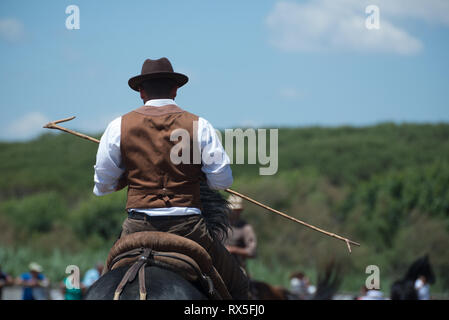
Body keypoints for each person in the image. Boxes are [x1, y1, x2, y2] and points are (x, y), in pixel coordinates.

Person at [93, 57, 249, 299]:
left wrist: (127, 175)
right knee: (239, 287)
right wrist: (197, 172)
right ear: (175, 90)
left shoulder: (118, 126)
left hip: (137, 227)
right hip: (188, 229)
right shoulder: (200, 125)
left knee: (104, 282)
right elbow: (222, 181)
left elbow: (102, 186)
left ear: (141, 92)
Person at [223, 195, 257, 274]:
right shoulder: (220, 224)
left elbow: (252, 252)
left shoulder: (245, 228)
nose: (235, 212)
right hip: (217, 264)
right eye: (233, 210)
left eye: (237, 210)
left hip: (237, 267)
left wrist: (233, 249)